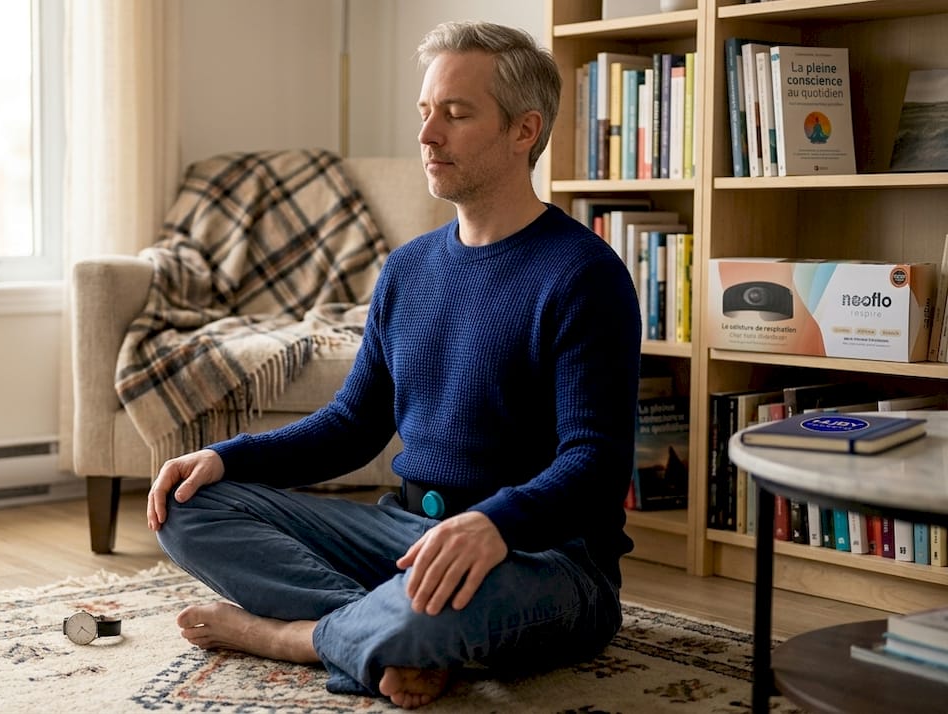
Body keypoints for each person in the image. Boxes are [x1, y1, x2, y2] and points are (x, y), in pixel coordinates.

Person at [148, 20, 642, 710]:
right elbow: (353, 425)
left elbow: (595, 463)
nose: (427, 135)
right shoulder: (407, 270)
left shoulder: (584, 276)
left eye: (456, 113)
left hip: (546, 560)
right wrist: (227, 458)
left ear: (524, 130)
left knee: (437, 608)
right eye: (424, 112)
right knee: (185, 505)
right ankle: (384, 634)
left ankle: (290, 636)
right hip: (406, 539)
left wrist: (496, 523)